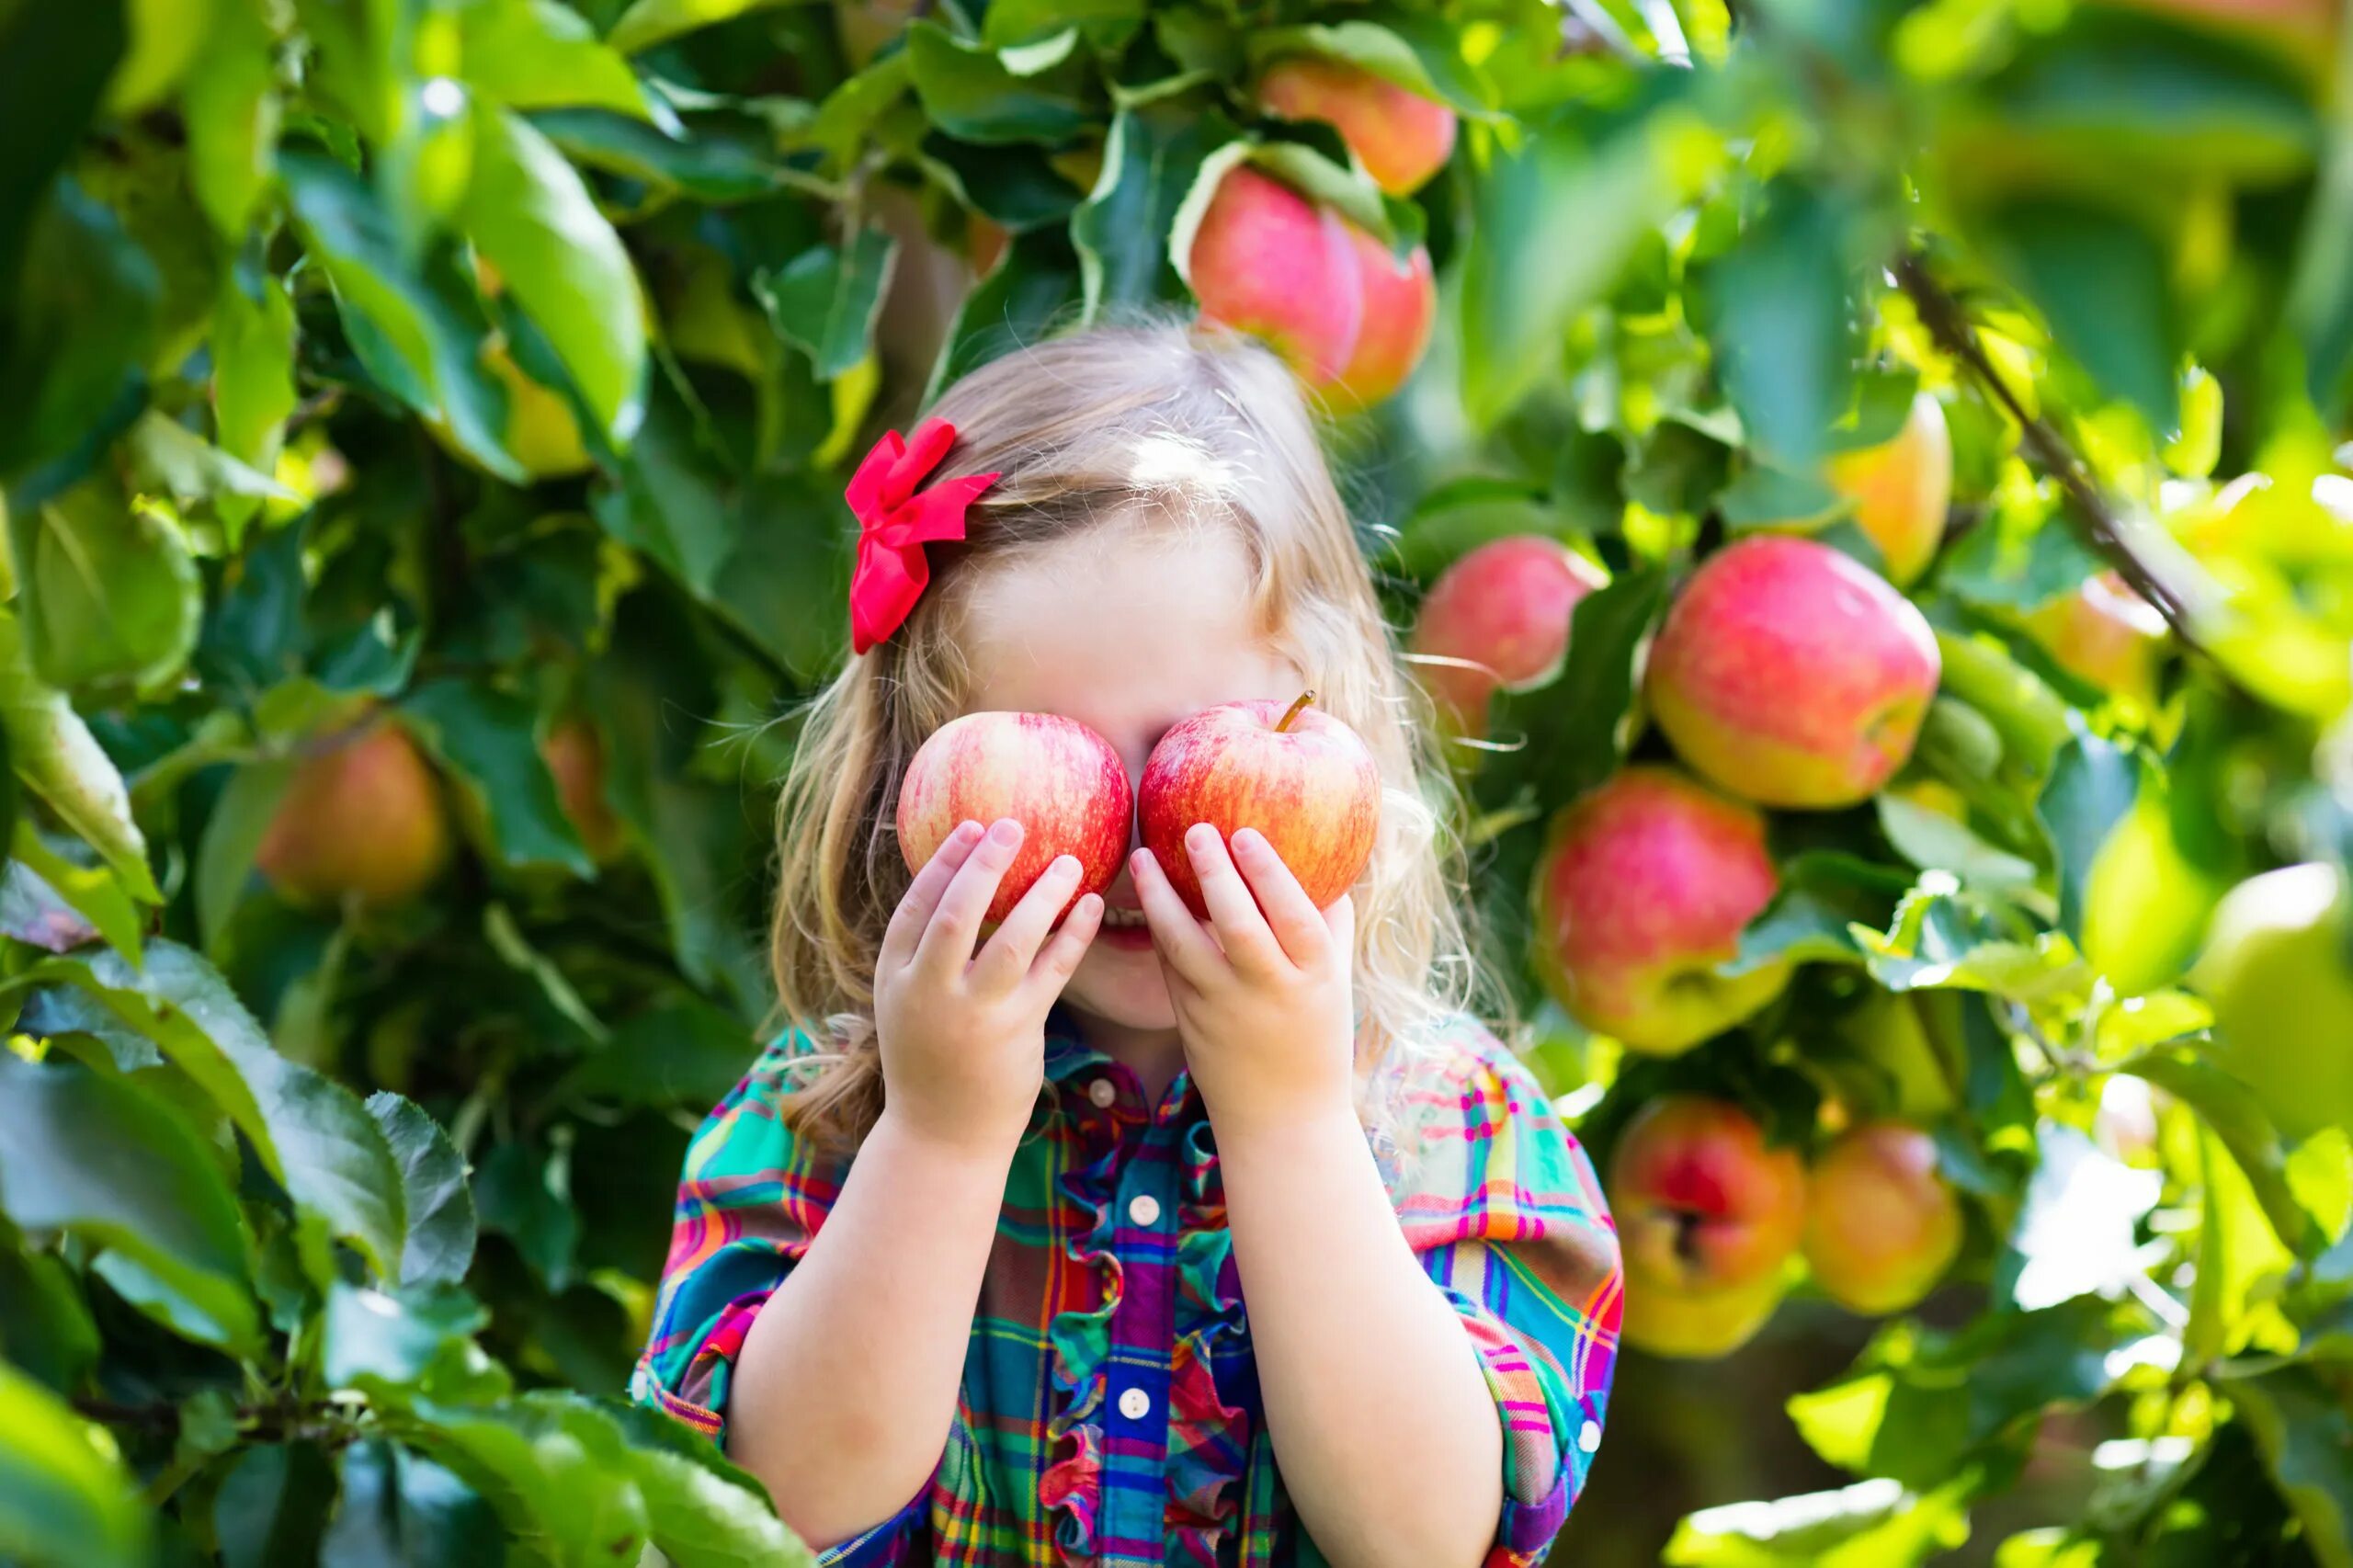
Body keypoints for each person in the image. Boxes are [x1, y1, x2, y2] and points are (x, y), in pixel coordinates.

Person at [630, 324, 1621, 1567]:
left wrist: (1291, 1124)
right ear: (908, 782)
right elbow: (774, 1509)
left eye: (1201, 746)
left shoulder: (1443, 1120)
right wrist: (937, 1137)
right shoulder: (834, 1112)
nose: (1141, 840)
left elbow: (1422, 1540)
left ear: (1331, 734)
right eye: (1065, 761)